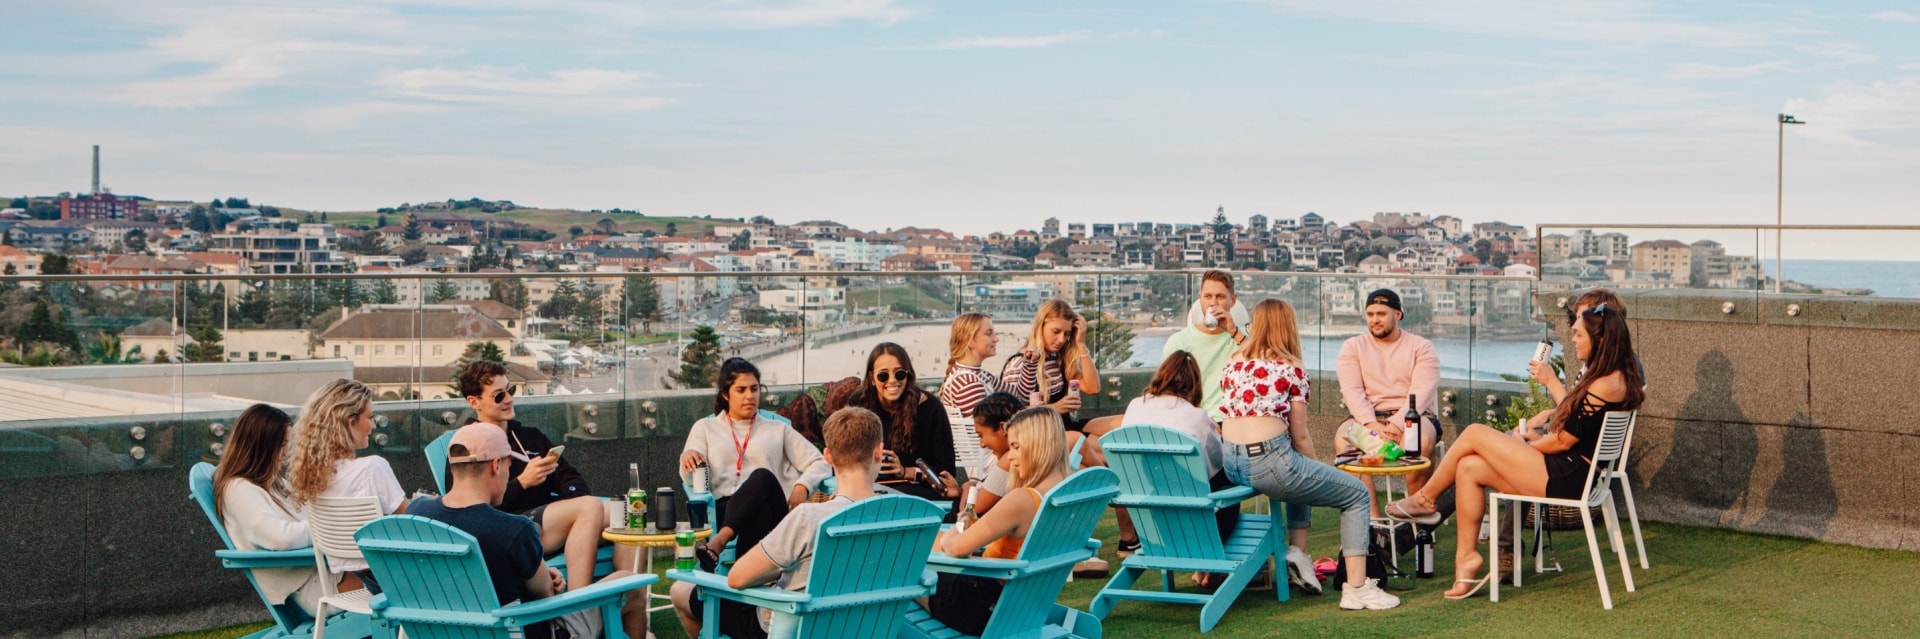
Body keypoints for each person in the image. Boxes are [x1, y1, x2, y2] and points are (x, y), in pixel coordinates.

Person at [1388, 303, 1645, 599]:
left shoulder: (1604, 384)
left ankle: (1426, 499)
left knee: (1474, 433)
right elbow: (1574, 431)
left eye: (1578, 334)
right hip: (1570, 469)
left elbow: (1563, 441)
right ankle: (1466, 559)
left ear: (1599, 339)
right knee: (1469, 467)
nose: (1572, 339)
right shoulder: (1612, 377)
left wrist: (1524, 446)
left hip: (1569, 476)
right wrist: (1527, 443)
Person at [1220, 299, 1399, 610]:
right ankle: (1357, 587)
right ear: (1288, 328)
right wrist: (1317, 469)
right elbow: (1300, 436)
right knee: (1356, 494)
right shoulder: (1291, 369)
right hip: (1269, 463)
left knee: (1298, 468)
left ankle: (1299, 552)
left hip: (1232, 462)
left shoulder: (1233, 362)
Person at [670, 407, 890, 639]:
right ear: (879, 452)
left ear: (828, 456)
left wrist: (779, 571)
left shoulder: (808, 518)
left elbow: (736, 579)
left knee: (680, 591)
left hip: (787, 625)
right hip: (863, 625)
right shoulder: (905, 514)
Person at [411, 423, 645, 639]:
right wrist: (545, 578)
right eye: (509, 467)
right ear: (496, 466)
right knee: (630, 583)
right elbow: (546, 595)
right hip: (523, 628)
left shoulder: (416, 514)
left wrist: (538, 570)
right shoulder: (513, 529)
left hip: (442, 631)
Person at [458, 360, 623, 593]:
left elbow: (569, 476)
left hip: (549, 518)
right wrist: (522, 483)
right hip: (513, 527)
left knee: (625, 513)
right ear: (474, 402)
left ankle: (632, 597)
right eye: (498, 396)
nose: (508, 399)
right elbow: (469, 506)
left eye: (510, 390)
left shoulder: (530, 437)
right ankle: (579, 602)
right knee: (589, 506)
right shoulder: (466, 446)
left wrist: (572, 506)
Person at [920, 407, 1074, 634]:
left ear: (1038, 445)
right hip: (1027, 603)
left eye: (1016, 447)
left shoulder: (1023, 500)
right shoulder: (1070, 492)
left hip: (982, 605)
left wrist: (954, 532)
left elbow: (956, 548)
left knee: (901, 568)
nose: (1009, 457)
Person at [680, 358, 833, 569]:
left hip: (776, 508)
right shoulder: (705, 428)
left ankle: (719, 542)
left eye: (754, 389)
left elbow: (820, 462)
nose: (750, 396)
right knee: (760, 512)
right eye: (741, 390)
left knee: (763, 476)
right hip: (725, 508)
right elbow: (690, 477)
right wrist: (688, 457)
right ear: (725, 394)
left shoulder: (777, 429)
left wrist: (803, 486)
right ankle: (747, 577)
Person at [288, 379, 406, 587]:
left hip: (361, 580)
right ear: (350, 421)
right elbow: (410, 519)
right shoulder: (372, 467)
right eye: (369, 417)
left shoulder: (312, 478)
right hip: (393, 580)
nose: (373, 425)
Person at [1117, 352, 1238, 551]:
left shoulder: (1136, 406)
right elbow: (1217, 464)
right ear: (1194, 384)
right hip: (1199, 530)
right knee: (1229, 478)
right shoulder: (1196, 416)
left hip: (1153, 526)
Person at [214, 404, 326, 616]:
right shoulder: (239, 489)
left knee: (389, 577)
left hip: (321, 572)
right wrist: (329, 529)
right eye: (282, 444)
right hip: (309, 584)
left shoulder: (273, 484)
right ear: (262, 445)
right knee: (390, 583)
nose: (286, 452)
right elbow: (281, 538)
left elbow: (312, 511)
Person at [1333, 288, 1442, 504]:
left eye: (1381, 314)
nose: (1375, 320)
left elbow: (1422, 391)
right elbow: (1352, 391)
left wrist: (1396, 424)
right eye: (1370, 314)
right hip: (1368, 417)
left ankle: (1416, 510)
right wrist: (1372, 425)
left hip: (1414, 417)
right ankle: (1369, 517)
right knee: (1343, 441)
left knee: (1419, 442)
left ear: (1398, 314)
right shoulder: (1352, 347)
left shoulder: (1422, 347)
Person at [850, 343, 960, 502]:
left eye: (900, 374)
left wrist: (905, 472)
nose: (892, 381)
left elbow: (947, 472)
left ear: (908, 375)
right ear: (872, 378)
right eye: (883, 375)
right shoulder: (860, 404)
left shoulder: (930, 408)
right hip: (870, 487)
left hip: (917, 491)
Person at [1158, 269, 1249, 421]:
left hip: (1234, 421)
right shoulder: (1179, 341)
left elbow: (1266, 370)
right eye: (1208, 296)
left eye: (1220, 297)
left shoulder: (1245, 338)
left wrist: (1234, 332)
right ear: (1199, 299)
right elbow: (1166, 391)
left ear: (1233, 300)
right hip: (1193, 420)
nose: (1213, 303)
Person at [1003, 299, 1101, 430]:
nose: (1061, 339)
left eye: (1067, 334)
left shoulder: (1058, 360)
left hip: (1065, 427)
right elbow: (1010, 416)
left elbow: (1093, 388)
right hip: (1043, 435)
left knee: (1121, 422)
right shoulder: (1020, 363)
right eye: (1056, 331)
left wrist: (1081, 344)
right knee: (1083, 439)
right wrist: (1055, 408)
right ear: (1040, 327)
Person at [963, 392, 1026, 517]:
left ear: (1003, 428)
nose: (981, 444)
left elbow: (973, 509)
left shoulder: (1009, 460)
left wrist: (968, 488)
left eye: (981, 435)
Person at [939, 312, 1014, 418]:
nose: (996, 339)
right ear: (969, 341)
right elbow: (985, 426)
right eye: (989, 334)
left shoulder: (981, 375)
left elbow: (1020, 395)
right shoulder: (968, 383)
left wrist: (1030, 363)